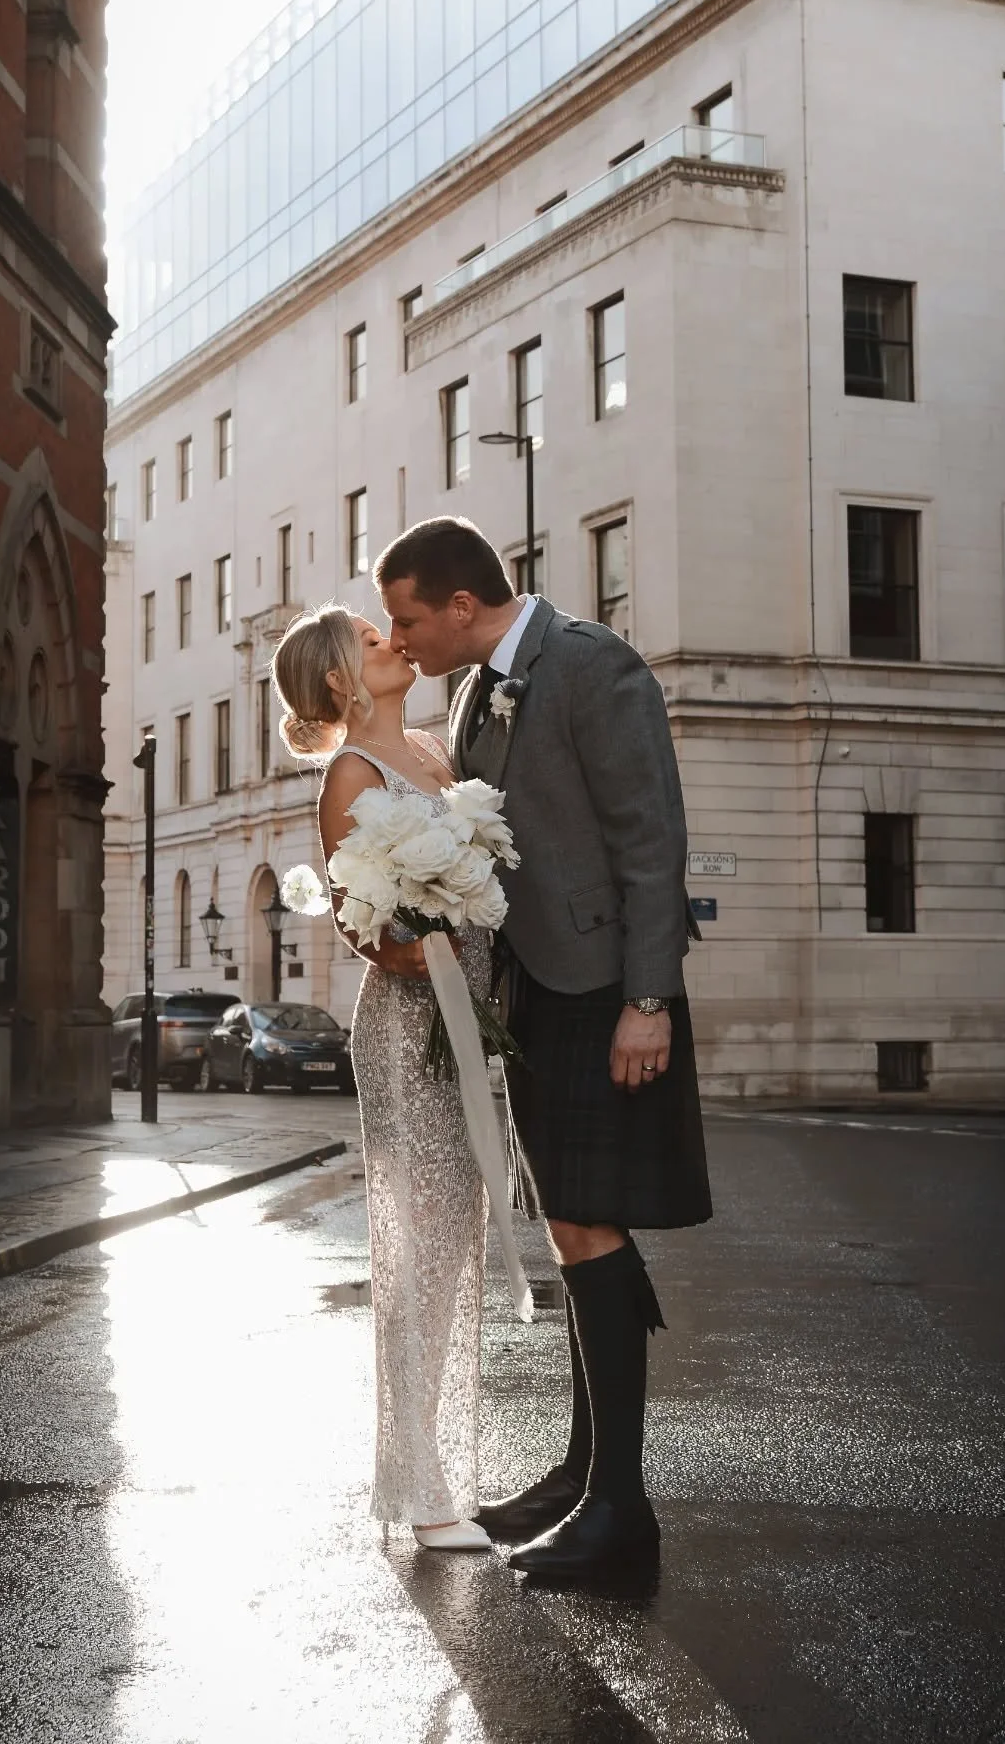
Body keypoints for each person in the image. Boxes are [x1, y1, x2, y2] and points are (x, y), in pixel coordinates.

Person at [377, 516, 712, 1585]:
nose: (400, 638)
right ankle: (581, 1477)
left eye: (407, 618)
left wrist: (649, 999)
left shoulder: (592, 664)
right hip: (533, 992)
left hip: (606, 992)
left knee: (586, 1220)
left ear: (461, 605)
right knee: (571, 1221)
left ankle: (623, 1513)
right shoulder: (474, 692)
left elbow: (651, 840)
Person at [271, 603, 493, 1553]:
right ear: (340, 681)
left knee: (456, 1243)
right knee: (420, 1251)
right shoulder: (351, 774)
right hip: (408, 1028)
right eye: (370, 640)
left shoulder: (437, 753)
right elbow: (356, 918)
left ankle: (430, 1465)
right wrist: (414, 947)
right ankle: (417, 1485)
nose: (394, 639)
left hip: (472, 1015)